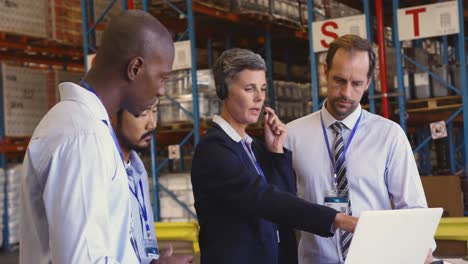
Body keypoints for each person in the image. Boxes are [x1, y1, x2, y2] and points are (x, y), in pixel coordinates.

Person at [20, 10, 174, 263]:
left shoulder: (86, 127)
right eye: (162, 78)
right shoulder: (83, 137)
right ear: (135, 68)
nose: (162, 90)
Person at [191, 48, 358, 264]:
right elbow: (264, 198)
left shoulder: (255, 149)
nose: (259, 98)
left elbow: (285, 203)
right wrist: (337, 219)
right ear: (223, 90)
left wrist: (277, 152)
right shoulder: (214, 150)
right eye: (249, 89)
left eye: (262, 88)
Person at [285, 34, 432, 264]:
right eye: (339, 80)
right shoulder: (292, 136)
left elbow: (412, 207)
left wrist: (421, 248)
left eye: (356, 84)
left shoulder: (389, 136)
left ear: (368, 83)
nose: (346, 93)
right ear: (325, 72)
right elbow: (282, 206)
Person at [113, 103, 194, 264]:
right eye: (142, 113)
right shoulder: (104, 174)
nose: (152, 124)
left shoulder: (138, 171)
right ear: (113, 115)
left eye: (155, 111)